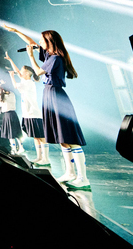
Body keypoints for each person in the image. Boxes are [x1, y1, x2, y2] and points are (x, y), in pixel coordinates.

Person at [6, 26, 90, 190]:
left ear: (49, 41)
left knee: (70, 138)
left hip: (56, 95)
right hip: (49, 95)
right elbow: (32, 42)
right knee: (62, 138)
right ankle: (70, 173)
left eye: (42, 40)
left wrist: (31, 56)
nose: (39, 42)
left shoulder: (56, 58)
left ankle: (83, 178)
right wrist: (17, 32)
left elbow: (38, 71)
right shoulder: (49, 56)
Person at [4, 53, 48, 166]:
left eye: (23, 71)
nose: (20, 72)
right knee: (36, 137)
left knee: (41, 137)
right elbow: (17, 71)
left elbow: (15, 85)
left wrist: (12, 76)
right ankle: (39, 157)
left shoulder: (28, 83)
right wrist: (10, 60)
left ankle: (46, 158)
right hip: (28, 114)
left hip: (34, 113)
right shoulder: (25, 81)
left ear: (27, 73)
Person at [0, 83, 24, 156]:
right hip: (12, 114)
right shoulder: (11, 94)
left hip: (8, 114)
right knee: (15, 133)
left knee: (11, 134)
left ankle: (15, 149)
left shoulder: (5, 96)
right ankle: (19, 147)